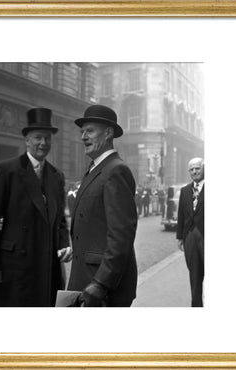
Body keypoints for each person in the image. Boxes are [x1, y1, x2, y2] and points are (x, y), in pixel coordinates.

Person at [0, 107, 72, 307]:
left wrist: (64, 243)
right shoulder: (7, 170)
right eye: (38, 137)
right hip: (16, 264)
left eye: (47, 138)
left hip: (47, 263)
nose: (43, 143)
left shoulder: (57, 176)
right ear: (27, 140)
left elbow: (61, 220)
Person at [67, 104, 138, 307]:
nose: (83, 137)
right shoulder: (96, 169)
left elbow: (121, 235)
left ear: (108, 133)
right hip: (86, 277)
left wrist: (101, 283)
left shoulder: (116, 170)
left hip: (102, 286)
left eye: (90, 131)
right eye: (82, 132)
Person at [176, 157, 205, 307]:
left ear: (204, 168)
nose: (194, 172)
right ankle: (196, 306)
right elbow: (181, 214)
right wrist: (180, 237)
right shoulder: (185, 190)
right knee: (194, 276)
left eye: (197, 168)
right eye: (191, 169)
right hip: (190, 238)